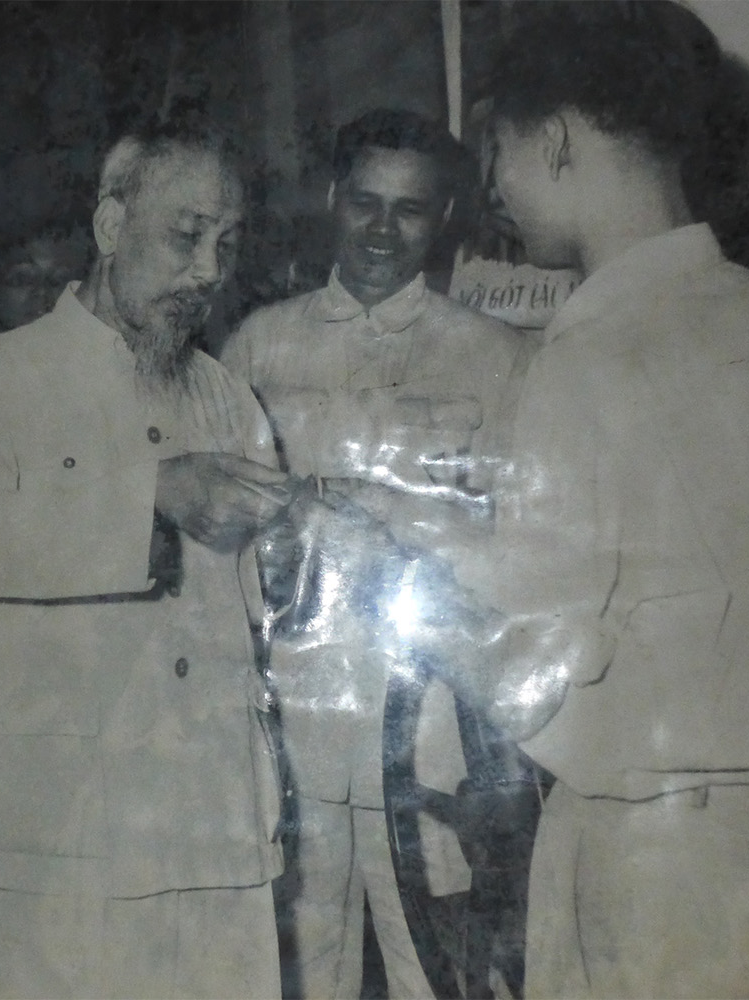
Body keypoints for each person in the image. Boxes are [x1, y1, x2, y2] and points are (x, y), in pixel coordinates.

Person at [474, 4, 749, 996]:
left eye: (497, 151)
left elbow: (533, 665)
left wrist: (432, 559)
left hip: (669, 874)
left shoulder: (585, 358)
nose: (493, 186)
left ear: (558, 139)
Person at [0, 115, 291, 999]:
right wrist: (147, 493)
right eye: (187, 237)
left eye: (227, 245)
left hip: (215, 822)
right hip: (61, 834)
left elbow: (255, 597)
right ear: (111, 227)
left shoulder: (229, 396)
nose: (209, 273)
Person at [221, 107, 533, 999]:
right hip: (291, 722)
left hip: (431, 735)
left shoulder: (494, 359)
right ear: (331, 200)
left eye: (410, 210)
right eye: (365, 204)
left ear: (443, 221)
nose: (383, 232)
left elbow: (519, 553)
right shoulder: (257, 346)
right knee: (297, 968)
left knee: (437, 968)